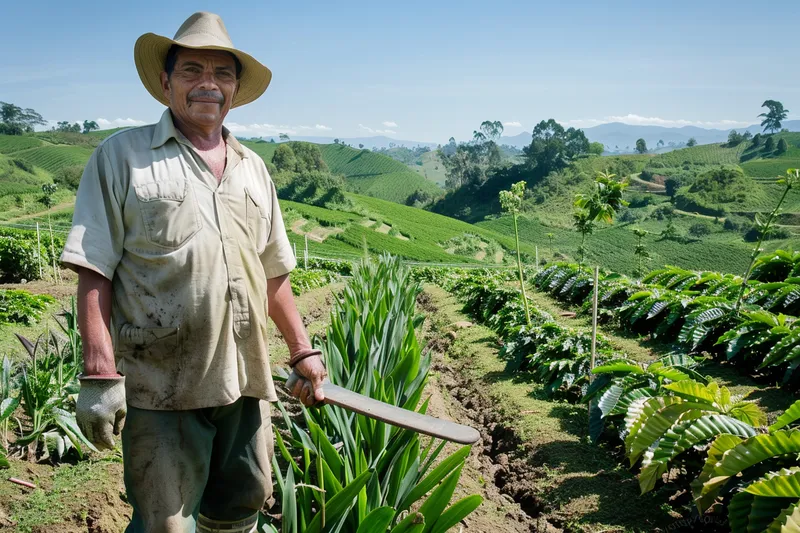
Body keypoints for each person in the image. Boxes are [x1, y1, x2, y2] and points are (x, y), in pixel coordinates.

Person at [60, 11, 327, 533]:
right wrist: (98, 374)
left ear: (235, 88)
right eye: (191, 70)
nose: (209, 84)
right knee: (165, 524)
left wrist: (302, 350)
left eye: (222, 73)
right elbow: (94, 269)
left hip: (245, 379)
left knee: (241, 506)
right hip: (163, 384)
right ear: (165, 82)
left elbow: (274, 273)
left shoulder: (253, 167)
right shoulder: (123, 156)